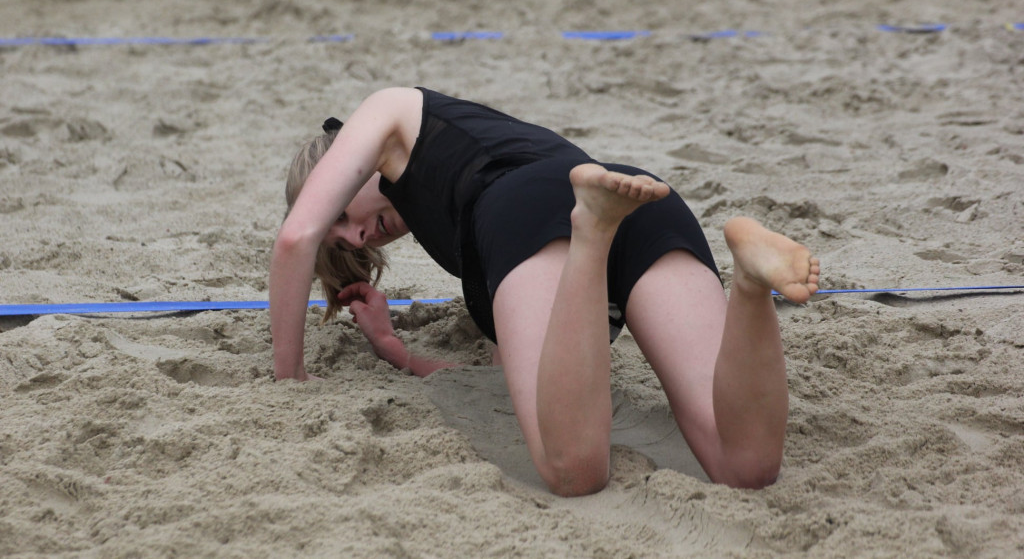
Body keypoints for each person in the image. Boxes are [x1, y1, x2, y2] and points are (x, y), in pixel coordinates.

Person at [270, 86, 820, 497]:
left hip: (549, 213)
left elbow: (296, 237)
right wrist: (399, 351)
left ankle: (592, 233)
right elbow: (510, 380)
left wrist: (288, 378)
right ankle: (749, 283)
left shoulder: (387, 112)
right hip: (639, 200)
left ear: (341, 166)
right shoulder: (467, 221)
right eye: (344, 237)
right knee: (747, 467)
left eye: (341, 213)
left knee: (573, 469)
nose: (356, 235)